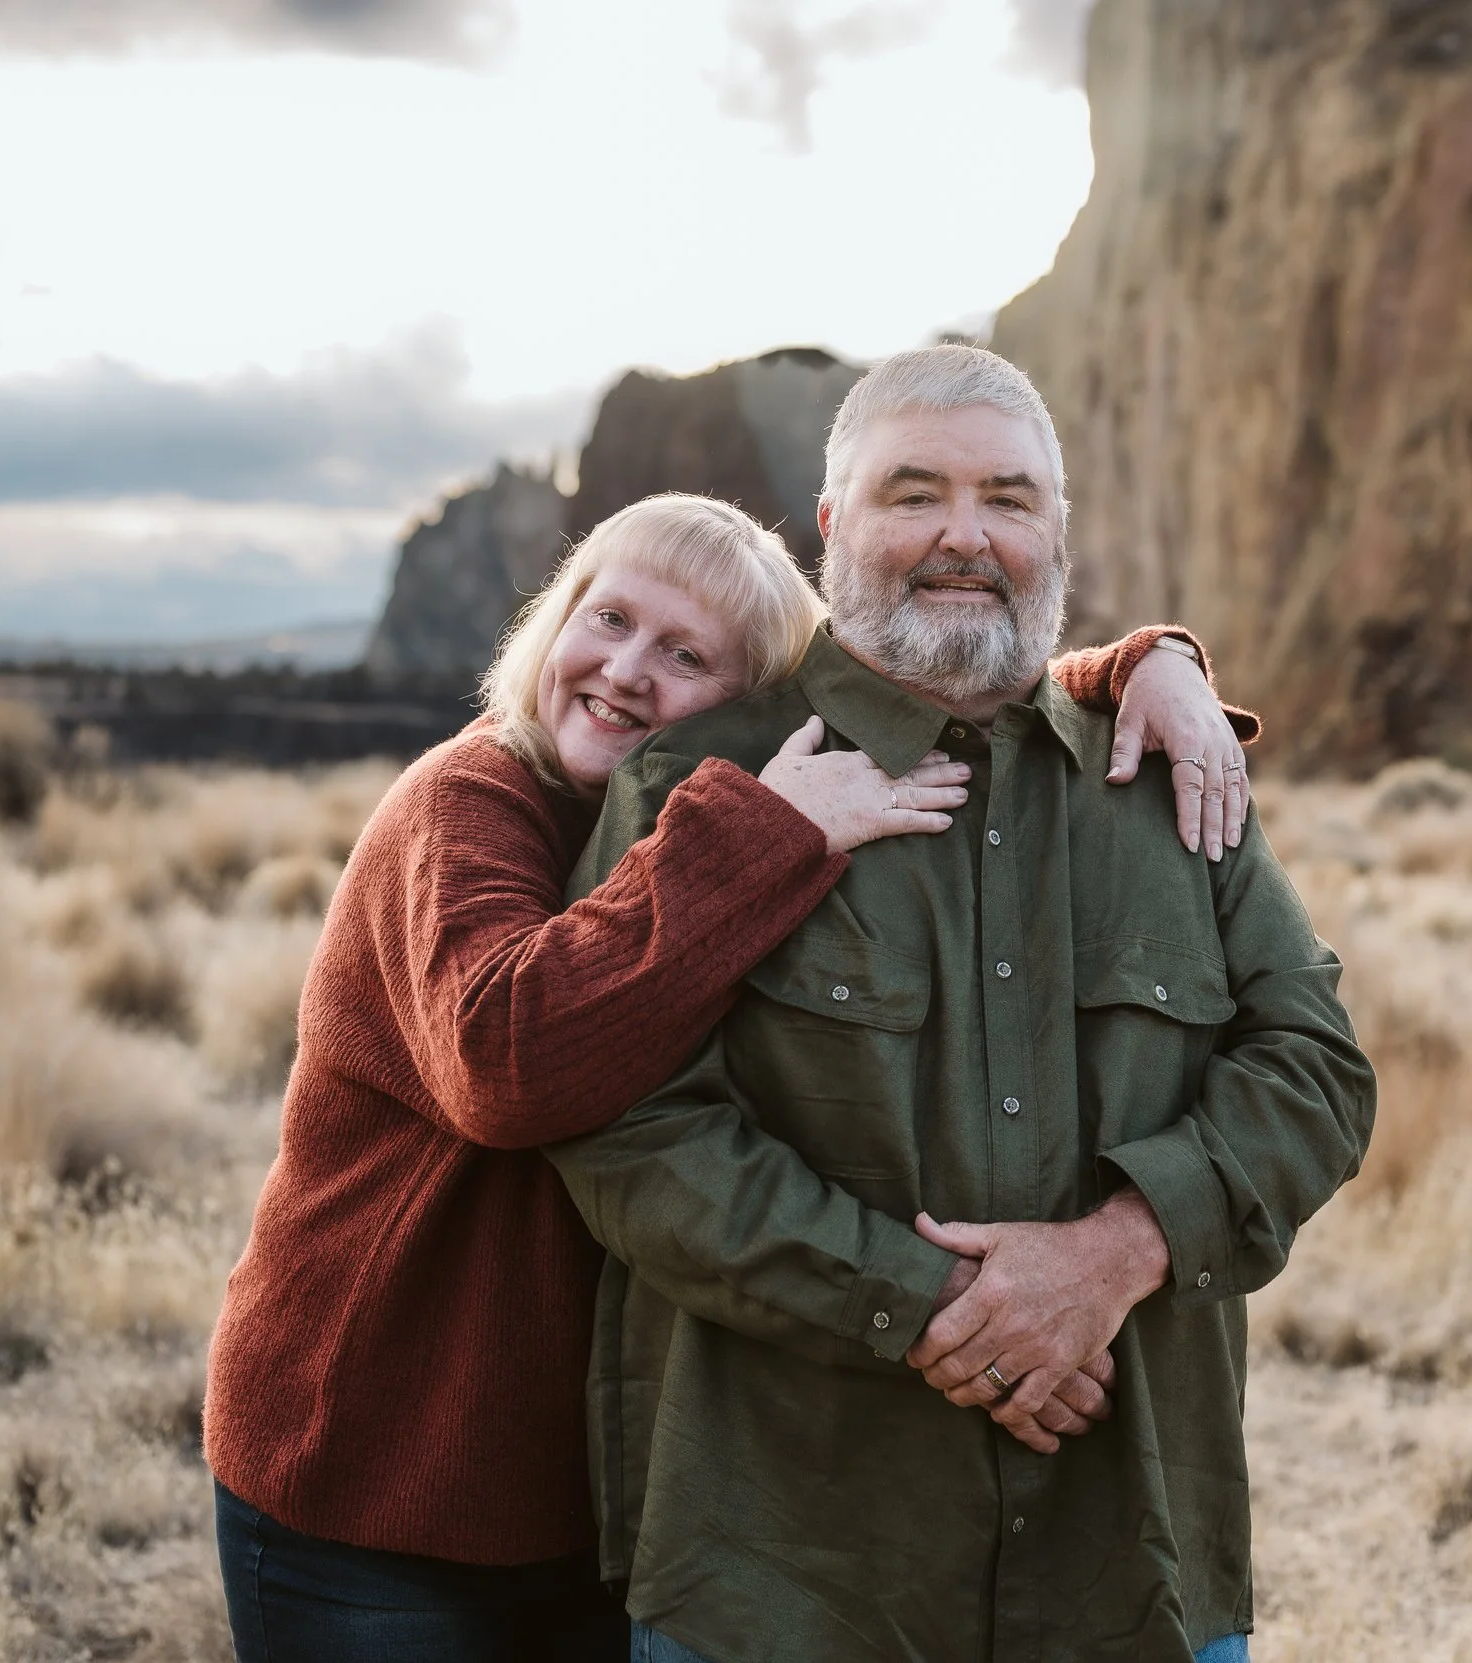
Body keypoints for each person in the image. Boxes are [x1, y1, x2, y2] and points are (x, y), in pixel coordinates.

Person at [204, 487, 1259, 1663]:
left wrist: (1142, 664)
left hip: (584, 1487)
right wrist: (768, 831)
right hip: (377, 1479)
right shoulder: (470, 804)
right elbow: (504, 1066)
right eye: (606, 620)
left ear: (756, 703)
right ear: (552, 623)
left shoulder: (650, 810)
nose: (626, 671)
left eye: (687, 654)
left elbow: (953, 680)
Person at [546, 348, 1378, 1663]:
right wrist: (933, 1302)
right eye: (913, 493)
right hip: (780, 1578)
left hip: (1133, 1570)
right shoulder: (700, 782)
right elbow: (631, 1128)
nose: (963, 535)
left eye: (1008, 496)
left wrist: (1121, 1246)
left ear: (1059, 529)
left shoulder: (1174, 773)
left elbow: (1318, 1072)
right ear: (832, 525)